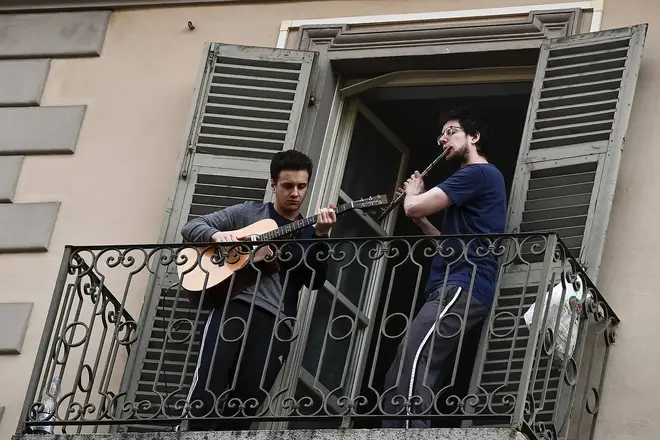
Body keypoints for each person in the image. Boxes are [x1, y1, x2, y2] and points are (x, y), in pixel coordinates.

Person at [180, 150, 337, 431]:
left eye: (302, 187)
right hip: (233, 306)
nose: (295, 194)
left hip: (275, 320)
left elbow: (315, 281)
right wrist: (219, 236)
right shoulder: (249, 213)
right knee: (207, 386)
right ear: (274, 185)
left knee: (248, 399)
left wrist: (321, 238)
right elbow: (192, 226)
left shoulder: (309, 232)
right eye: (288, 186)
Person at [382, 107, 507, 428]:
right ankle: (398, 430)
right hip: (456, 283)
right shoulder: (475, 180)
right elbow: (446, 243)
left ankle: (407, 434)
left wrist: (413, 197)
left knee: (415, 359)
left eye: (451, 131)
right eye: (442, 135)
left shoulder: (477, 173)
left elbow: (411, 207)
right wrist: (422, 218)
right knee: (405, 363)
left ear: (474, 137)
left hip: (463, 283)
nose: (442, 139)